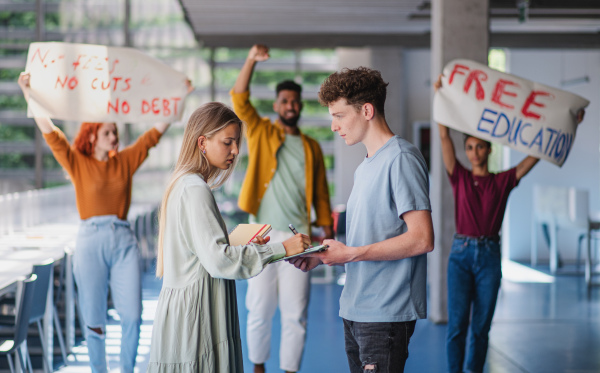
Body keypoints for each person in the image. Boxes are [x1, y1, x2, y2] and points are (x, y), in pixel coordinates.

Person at [17, 72, 178, 373]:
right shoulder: (77, 162)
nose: (115, 137)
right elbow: (49, 131)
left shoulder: (125, 161)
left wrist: (177, 97)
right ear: (92, 135)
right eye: (108, 133)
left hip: (123, 240)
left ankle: (127, 370)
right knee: (94, 319)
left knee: (132, 315)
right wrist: (28, 93)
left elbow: (153, 135)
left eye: (115, 132)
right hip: (90, 241)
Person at [433, 75, 585, 373]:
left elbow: (536, 155)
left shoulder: (503, 181)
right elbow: (443, 138)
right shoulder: (459, 176)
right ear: (466, 151)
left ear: (489, 150)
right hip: (460, 256)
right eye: (471, 147)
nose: (475, 152)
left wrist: (571, 124)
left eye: (480, 147)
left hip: (489, 257)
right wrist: (442, 98)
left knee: (480, 329)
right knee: (457, 328)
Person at [146, 102, 311, 373]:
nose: (235, 151)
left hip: (183, 314)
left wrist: (240, 247)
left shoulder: (182, 183)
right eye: (228, 142)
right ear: (202, 142)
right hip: (198, 318)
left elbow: (200, 251)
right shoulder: (195, 189)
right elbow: (219, 262)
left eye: (236, 143)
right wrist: (283, 248)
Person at [291, 67, 434, 373]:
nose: (333, 126)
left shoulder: (401, 159)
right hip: (356, 308)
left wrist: (351, 253)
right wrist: (323, 256)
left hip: (385, 314)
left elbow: (422, 238)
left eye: (339, 116)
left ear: (366, 110)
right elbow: (372, 236)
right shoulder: (366, 166)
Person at [230, 44, 333, 373]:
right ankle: (258, 367)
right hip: (257, 231)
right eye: (285, 101)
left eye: (295, 101)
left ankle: (290, 370)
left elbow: (320, 192)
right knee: (258, 307)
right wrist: (250, 60)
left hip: (298, 235)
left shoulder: (311, 146)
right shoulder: (261, 131)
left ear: (300, 106)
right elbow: (239, 99)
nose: (290, 106)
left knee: (295, 312)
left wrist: (326, 229)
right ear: (276, 105)